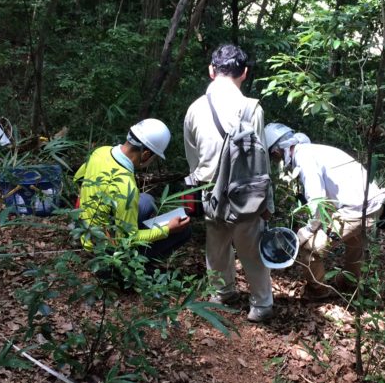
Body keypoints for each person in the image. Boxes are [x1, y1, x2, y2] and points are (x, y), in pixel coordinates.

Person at [183, 44, 275, 322]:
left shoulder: (195, 109)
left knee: (217, 245)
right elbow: (261, 161)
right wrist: (268, 200)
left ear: (212, 71)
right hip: (247, 192)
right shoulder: (251, 108)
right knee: (251, 248)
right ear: (244, 74)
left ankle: (222, 293)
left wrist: (200, 184)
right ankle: (260, 305)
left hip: (210, 191)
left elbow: (193, 158)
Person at [264, 122, 385, 300]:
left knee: (309, 249)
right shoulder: (315, 150)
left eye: (274, 157)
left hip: (355, 210)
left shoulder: (304, 158)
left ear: (276, 152)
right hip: (372, 204)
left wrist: (309, 230)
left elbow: (317, 199)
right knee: (354, 246)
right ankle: (350, 285)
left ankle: (318, 291)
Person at [74, 118, 191, 260]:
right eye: (153, 158)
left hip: (84, 228)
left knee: (147, 200)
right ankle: (135, 269)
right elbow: (128, 239)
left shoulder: (100, 152)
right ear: (146, 154)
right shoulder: (126, 187)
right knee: (184, 231)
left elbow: (78, 179)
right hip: (102, 249)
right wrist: (168, 229)